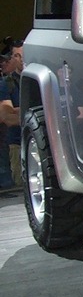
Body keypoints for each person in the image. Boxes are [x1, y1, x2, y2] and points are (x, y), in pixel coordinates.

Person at [0, 40, 23, 188]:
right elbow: (7, 117)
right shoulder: (6, 83)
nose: (21, 59)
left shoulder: (40, 80)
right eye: (17, 56)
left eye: (23, 55)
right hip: (17, 144)